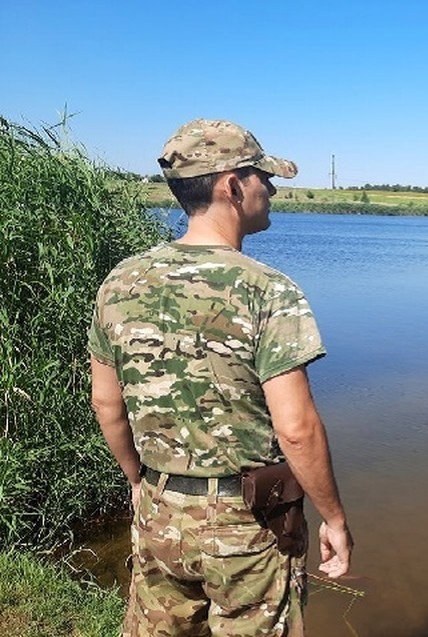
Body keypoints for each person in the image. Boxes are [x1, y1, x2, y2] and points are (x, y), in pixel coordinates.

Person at [88, 119, 352, 637]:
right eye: (263, 178)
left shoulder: (120, 281)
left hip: (159, 507)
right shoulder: (268, 290)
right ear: (232, 186)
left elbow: (106, 403)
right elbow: (297, 429)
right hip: (248, 527)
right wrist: (335, 520)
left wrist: (139, 483)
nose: (272, 189)